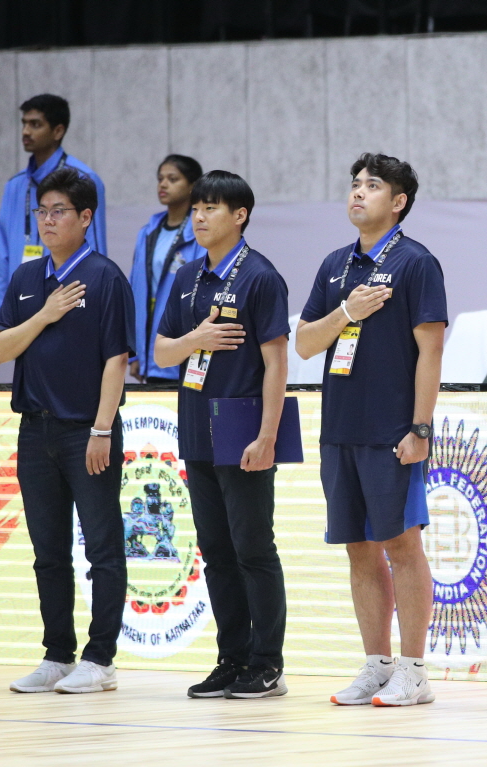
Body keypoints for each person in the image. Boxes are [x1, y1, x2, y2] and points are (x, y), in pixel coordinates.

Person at [295, 153, 446, 708]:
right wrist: (347, 313)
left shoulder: (416, 263)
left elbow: (431, 352)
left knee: (402, 545)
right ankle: (377, 664)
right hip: (339, 429)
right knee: (359, 549)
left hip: (392, 432)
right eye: (355, 184)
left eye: (373, 185)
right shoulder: (335, 265)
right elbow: (306, 343)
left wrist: (420, 427)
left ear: (398, 201)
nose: (358, 193)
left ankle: (414, 669)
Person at [0, 167, 133, 695]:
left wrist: (102, 429)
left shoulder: (105, 277)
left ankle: (101, 660)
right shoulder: (28, 280)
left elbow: (116, 360)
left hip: (85, 433)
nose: (47, 221)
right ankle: (56, 654)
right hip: (35, 431)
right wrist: (45, 316)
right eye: (41, 212)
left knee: (102, 547)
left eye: (59, 212)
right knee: (48, 550)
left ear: (86, 218)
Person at [154, 170, 291, 699]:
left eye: (211, 207)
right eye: (196, 209)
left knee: (254, 547)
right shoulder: (186, 276)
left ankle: (267, 662)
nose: (200, 216)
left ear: (240, 216)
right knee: (214, 549)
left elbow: (276, 362)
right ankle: (231, 658)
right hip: (196, 431)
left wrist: (267, 436)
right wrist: (198, 337)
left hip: (244, 431)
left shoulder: (261, 277)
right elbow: (163, 352)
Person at [0, 94, 106, 319]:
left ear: (58, 131)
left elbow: (94, 251)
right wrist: (0, 315)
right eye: (24, 123)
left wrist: (91, 315)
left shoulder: (84, 180)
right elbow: (3, 257)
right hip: (22, 306)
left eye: (35, 124)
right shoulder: (14, 186)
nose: (26, 131)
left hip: (69, 308)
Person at [130, 155, 206, 383]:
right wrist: (135, 353)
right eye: (160, 178)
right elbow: (136, 292)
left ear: (193, 186)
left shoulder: (199, 233)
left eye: (173, 179)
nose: (163, 184)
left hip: (183, 353)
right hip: (148, 352)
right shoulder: (147, 232)